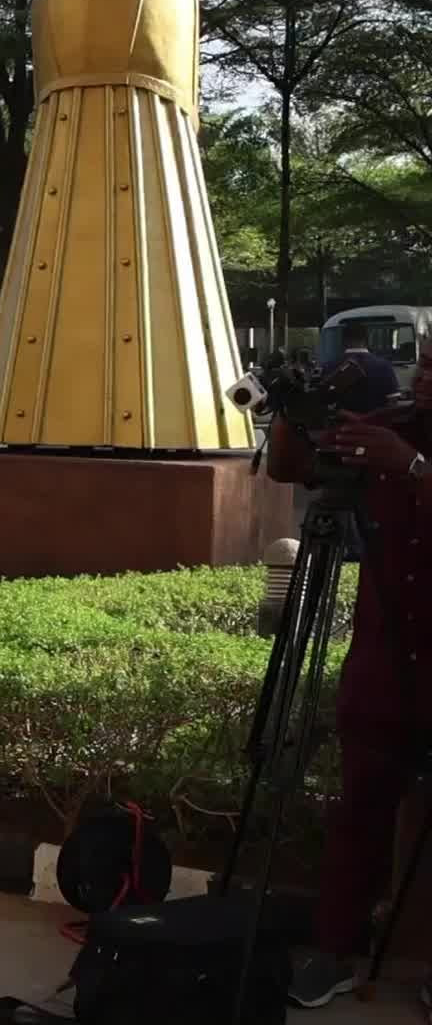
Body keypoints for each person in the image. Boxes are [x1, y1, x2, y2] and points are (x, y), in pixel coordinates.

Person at [268, 344, 432, 1009]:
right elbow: (290, 468)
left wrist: (416, 468)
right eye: (425, 366)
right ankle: (334, 951)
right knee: (359, 809)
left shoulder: (404, 449)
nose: (424, 379)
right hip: (383, 663)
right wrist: (293, 410)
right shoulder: (389, 426)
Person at [336, 324, 401, 414]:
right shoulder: (384, 366)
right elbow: (393, 401)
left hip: (342, 425)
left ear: (344, 341)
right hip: (375, 424)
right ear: (366, 340)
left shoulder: (330, 366)